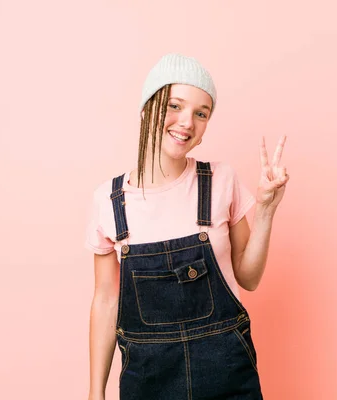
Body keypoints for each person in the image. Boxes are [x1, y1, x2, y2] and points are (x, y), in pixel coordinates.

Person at [85, 53, 289, 400]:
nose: (186, 122)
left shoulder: (221, 181)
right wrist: (95, 392)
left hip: (226, 374)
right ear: (148, 107)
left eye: (201, 113)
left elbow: (249, 278)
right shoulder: (109, 200)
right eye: (174, 105)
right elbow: (106, 299)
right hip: (148, 380)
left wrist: (266, 210)